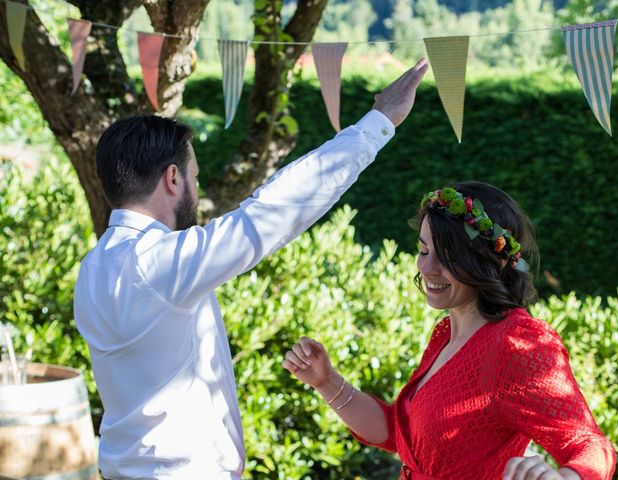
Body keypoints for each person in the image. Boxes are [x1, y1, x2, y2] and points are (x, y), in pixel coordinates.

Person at [72, 59, 428, 479]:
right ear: (172, 179)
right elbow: (274, 212)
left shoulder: (93, 268)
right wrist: (379, 122)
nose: (196, 188)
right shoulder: (159, 265)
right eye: (194, 177)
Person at [283, 181, 616, 480]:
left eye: (447, 256)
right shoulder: (446, 334)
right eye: (424, 250)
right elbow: (399, 436)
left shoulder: (518, 342)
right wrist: (326, 382)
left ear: (492, 259)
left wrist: (567, 477)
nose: (427, 268)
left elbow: (590, 444)